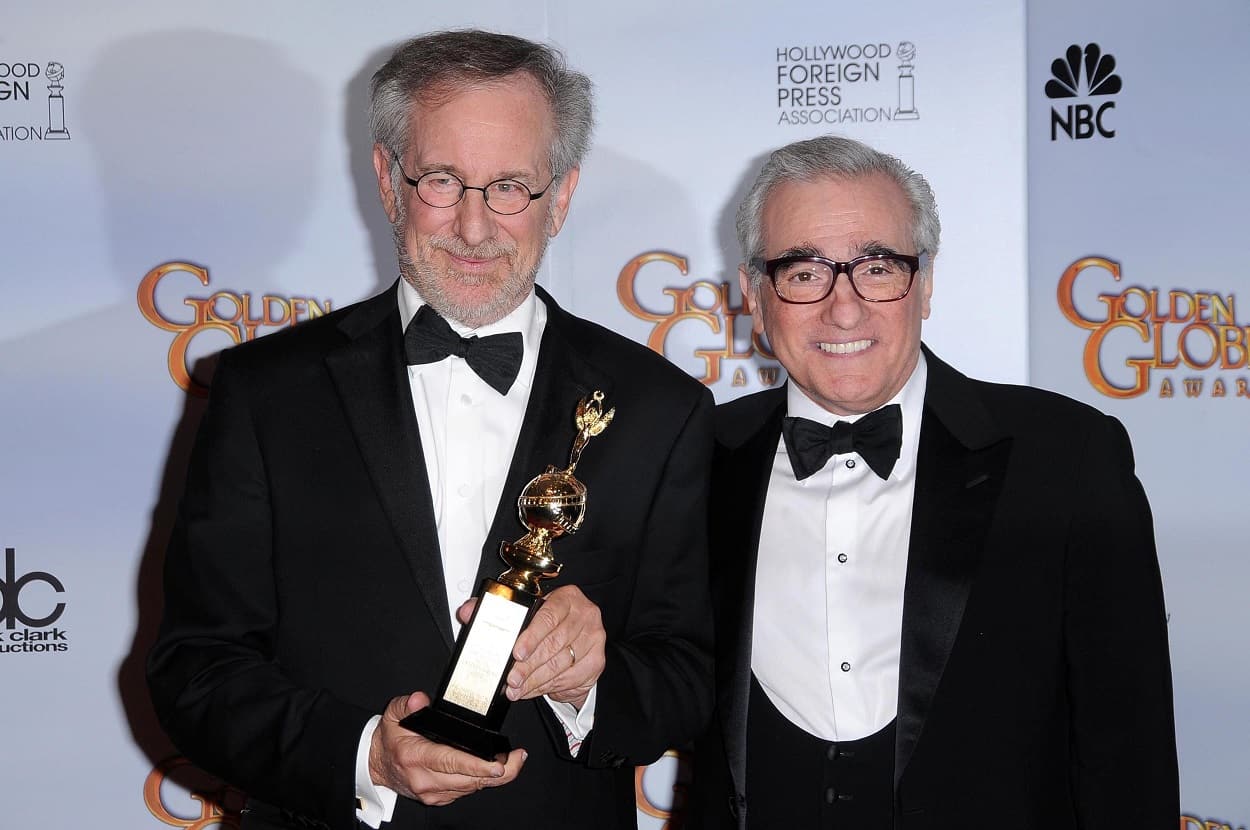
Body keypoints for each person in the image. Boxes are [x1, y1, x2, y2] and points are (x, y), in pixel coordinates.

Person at [147, 30, 713, 830]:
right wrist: (363, 757)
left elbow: (686, 683)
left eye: (511, 185)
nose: (475, 228)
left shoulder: (660, 407)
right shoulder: (266, 394)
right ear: (387, 179)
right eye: (443, 180)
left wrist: (589, 679)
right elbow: (194, 670)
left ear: (563, 194)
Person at [686, 135, 1177, 828]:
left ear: (927, 283)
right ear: (755, 298)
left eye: (878, 268)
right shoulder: (696, 457)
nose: (844, 308)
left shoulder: (1066, 458)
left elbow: (1129, 749)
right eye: (803, 273)